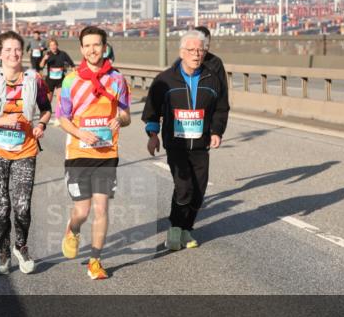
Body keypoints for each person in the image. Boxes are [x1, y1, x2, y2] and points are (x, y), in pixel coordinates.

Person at [0, 31, 52, 275]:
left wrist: (41, 125)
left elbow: (46, 109)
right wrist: (2, 120)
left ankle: (21, 246)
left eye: (17, 49)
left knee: (23, 206)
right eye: (7, 49)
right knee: (3, 207)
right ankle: (4, 254)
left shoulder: (34, 78)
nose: (13, 54)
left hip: (25, 150)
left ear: (23, 52)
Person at [55, 26, 131, 280]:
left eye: (96, 44)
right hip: (78, 153)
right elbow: (62, 119)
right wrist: (79, 133)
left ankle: (95, 260)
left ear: (105, 46)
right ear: (81, 49)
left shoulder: (117, 79)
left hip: (106, 153)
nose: (92, 50)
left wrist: (120, 120)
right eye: (87, 45)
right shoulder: (71, 80)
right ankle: (72, 230)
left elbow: (126, 114)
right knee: (82, 212)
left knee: (101, 209)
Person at [143, 30, 229, 250]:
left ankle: (187, 229)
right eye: (191, 50)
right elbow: (152, 110)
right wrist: (153, 135)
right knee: (184, 188)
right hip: (176, 143)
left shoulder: (212, 78)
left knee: (198, 191)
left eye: (200, 50)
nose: (196, 54)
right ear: (182, 53)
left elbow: (221, 108)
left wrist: (217, 131)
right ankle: (174, 228)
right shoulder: (165, 79)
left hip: (201, 144)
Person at [39, 38, 74, 124]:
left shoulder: (63, 54)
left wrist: (74, 74)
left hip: (60, 80)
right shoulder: (47, 54)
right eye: (51, 45)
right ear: (49, 47)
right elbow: (41, 66)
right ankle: (44, 117)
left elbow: (72, 64)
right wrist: (44, 59)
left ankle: (58, 118)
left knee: (60, 99)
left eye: (54, 45)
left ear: (57, 45)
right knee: (48, 100)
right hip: (50, 81)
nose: (53, 47)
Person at [194, 25, 228, 99]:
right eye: (202, 45)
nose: (205, 48)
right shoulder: (183, 62)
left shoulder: (216, 63)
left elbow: (223, 90)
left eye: (207, 45)